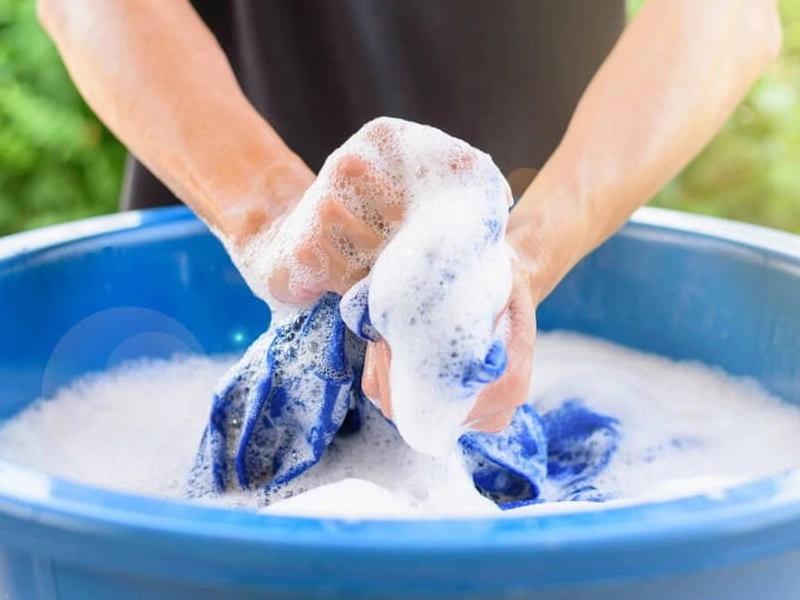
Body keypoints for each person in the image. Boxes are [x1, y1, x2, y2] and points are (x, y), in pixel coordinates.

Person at [38, 0, 782, 433]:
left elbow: (725, 16)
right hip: (212, 314)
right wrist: (271, 217)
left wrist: (526, 251)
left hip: (535, 329)